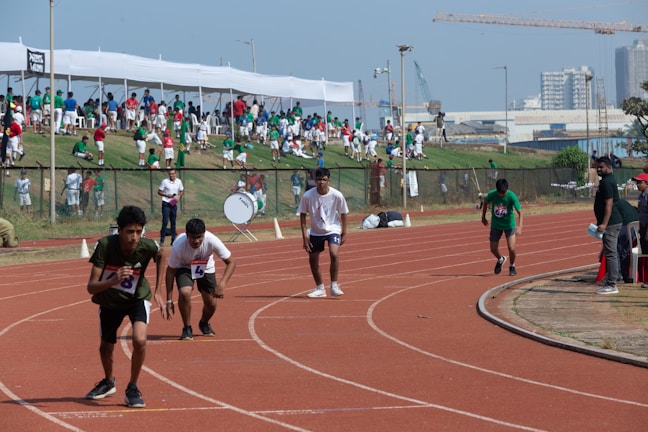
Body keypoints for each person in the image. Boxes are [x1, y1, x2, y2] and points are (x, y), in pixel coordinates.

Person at [84, 205, 165, 408]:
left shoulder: (146, 246)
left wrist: (158, 290)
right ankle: (108, 381)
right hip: (110, 301)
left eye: (139, 232)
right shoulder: (105, 246)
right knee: (105, 347)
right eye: (130, 232)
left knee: (139, 339)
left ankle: (132, 387)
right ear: (118, 230)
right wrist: (113, 280)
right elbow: (91, 287)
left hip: (137, 298)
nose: (135, 237)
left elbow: (162, 254)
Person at [164, 218, 236, 340]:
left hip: (205, 266)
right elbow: (170, 271)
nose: (196, 241)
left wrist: (222, 284)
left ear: (204, 234)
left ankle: (204, 323)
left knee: (211, 303)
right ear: (187, 235)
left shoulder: (211, 240)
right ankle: (187, 328)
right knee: (185, 292)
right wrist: (169, 300)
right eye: (193, 237)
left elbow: (231, 262)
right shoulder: (178, 245)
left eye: (199, 237)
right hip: (184, 266)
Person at [298, 167, 349, 298]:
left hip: (333, 229)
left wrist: (344, 232)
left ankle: (334, 285)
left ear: (328, 180)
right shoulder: (308, 196)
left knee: (333, 253)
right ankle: (320, 287)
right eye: (319, 179)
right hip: (315, 231)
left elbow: (343, 213)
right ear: (315, 180)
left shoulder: (337, 195)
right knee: (313, 259)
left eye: (324, 180)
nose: (321, 182)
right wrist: (304, 237)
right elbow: (302, 215)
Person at [481, 178, 523, 276]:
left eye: (503, 193)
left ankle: (512, 265)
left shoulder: (512, 196)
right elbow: (486, 202)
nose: (501, 195)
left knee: (511, 248)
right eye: (500, 193)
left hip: (509, 225)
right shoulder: (492, 194)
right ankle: (501, 259)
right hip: (496, 225)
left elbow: (520, 212)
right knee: (493, 249)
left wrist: (520, 226)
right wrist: (483, 217)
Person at [593, 156, 622, 295]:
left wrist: (604, 223)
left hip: (610, 223)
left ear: (609, 167)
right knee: (611, 253)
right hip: (609, 223)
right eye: (597, 167)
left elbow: (609, 203)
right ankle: (611, 281)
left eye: (601, 167)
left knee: (610, 253)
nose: (599, 169)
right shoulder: (605, 181)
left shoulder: (607, 182)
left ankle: (612, 284)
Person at [158, 169, 184, 246]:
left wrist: (179, 196)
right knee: (165, 221)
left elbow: (182, 190)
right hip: (166, 203)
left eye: (173, 174)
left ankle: (173, 240)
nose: (171, 175)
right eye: (170, 174)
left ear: (175, 174)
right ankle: (162, 240)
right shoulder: (165, 181)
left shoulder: (179, 181)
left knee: (173, 222)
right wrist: (166, 195)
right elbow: (159, 191)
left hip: (173, 203)